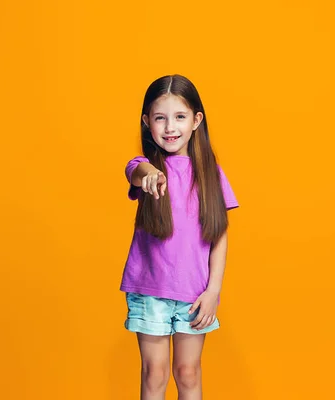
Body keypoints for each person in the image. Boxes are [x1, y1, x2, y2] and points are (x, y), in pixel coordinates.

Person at [121, 74, 239, 400]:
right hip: (150, 289)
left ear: (196, 120)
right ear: (147, 122)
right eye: (160, 118)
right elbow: (134, 170)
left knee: (188, 373)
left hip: (195, 292)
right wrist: (150, 175)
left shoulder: (210, 174)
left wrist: (214, 290)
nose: (170, 127)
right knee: (154, 374)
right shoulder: (144, 167)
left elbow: (219, 236)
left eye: (179, 117)